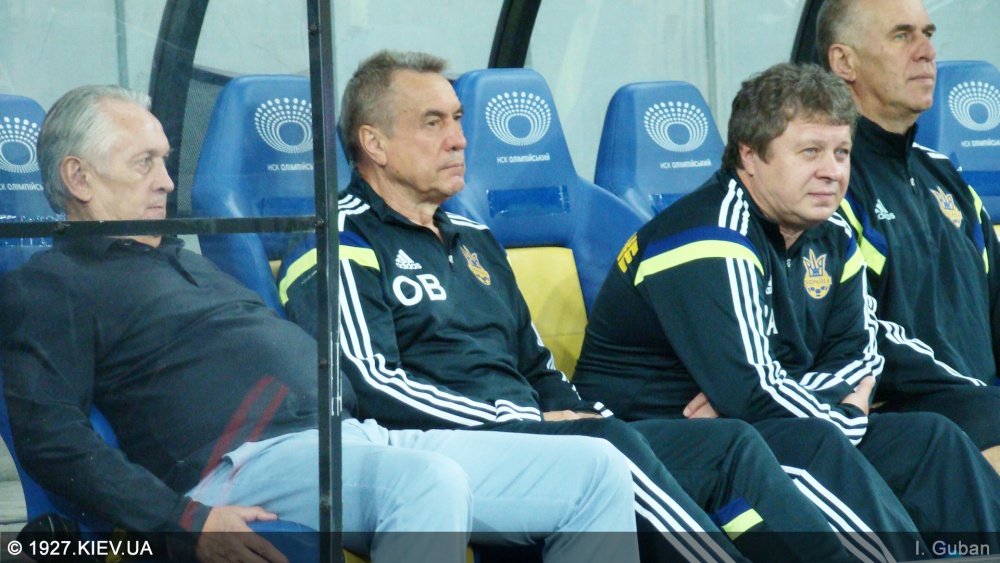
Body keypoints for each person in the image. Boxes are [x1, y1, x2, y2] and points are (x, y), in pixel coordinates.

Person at [0, 84, 645, 563]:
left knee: (594, 468)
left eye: (167, 161)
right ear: (78, 177)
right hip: (243, 462)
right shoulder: (51, 284)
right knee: (428, 483)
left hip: (350, 438)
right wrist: (183, 521)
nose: (168, 182)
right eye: (145, 162)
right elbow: (50, 438)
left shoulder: (185, 261)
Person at [280, 49, 872, 563]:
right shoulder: (339, 240)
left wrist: (582, 415)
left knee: (730, 446)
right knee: (611, 446)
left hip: (531, 437)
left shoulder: (475, 240)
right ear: (374, 143)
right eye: (432, 123)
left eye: (458, 119)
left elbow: (537, 368)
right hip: (440, 453)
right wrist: (523, 423)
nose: (458, 138)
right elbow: (372, 384)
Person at [571, 61, 1000, 561]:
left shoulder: (834, 235)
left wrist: (814, 400)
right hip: (661, 443)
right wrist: (844, 412)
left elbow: (859, 361)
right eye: (810, 152)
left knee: (930, 438)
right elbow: (755, 392)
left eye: (842, 152)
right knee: (816, 444)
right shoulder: (710, 235)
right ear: (750, 156)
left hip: (767, 425)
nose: (832, 171)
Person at [818, 0, 1000, 473]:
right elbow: (854, 336)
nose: (927, 52)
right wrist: (979, 396)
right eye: (902, 35)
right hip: (903, 419)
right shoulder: (828, 186)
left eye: (928, 34)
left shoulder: (946, 179)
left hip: (980, 404)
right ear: (844, 62)